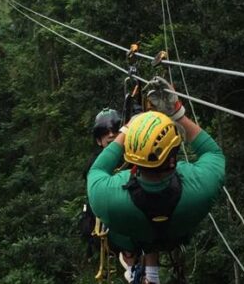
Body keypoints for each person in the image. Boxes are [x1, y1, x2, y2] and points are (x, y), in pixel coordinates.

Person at [87, 77, 226, 284]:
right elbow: (213, 153)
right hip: (177, 231)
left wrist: (127, 131)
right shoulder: (200, 187)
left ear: (130, 153)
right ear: (174, 154)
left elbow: (96, 170)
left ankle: (133, 261)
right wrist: (177, 114)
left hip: (131, 233)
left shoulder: (108, 196)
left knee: (128, 232)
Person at [79, 108, 123, 259]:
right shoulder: (94, 165)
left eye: (115, 130)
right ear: (99, 140)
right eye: (105, 132)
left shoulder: (134, 155)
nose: (111, 135)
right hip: (108, 222)